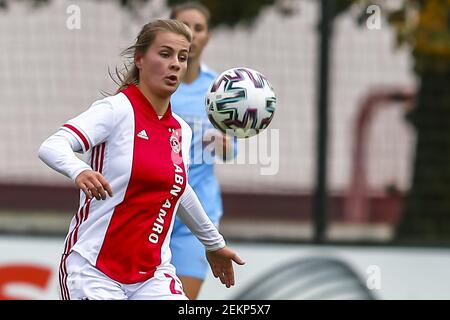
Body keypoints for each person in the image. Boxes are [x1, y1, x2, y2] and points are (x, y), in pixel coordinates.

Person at [38, 19, 244, 300]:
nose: (175, 64)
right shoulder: (116, 109)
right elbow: (53, 145)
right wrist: (80, 170)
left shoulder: (180, 130)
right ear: (140, 59)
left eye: (182, 58)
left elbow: (179, 190)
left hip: (152, 276)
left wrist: (214, 244)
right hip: (94, 272)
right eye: (165, 54)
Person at [168, 2, 237, 300]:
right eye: (185, 27)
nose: (192, 35)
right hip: (155, 208)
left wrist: (226, 146)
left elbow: (231, 147)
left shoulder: (219, 88)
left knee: (182, 300)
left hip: (197, 214)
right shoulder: (156, 85)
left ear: (207, 36)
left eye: (199, 28)